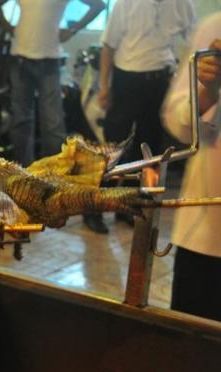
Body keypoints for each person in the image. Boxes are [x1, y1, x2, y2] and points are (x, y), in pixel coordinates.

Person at [84, 0, 196, 234]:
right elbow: (108, 46)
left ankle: (129, 206)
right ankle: (93, 208)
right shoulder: (126, 3)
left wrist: (181, 77)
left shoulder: (182, 3)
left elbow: (193, 39)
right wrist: (105, 86)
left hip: (160, 82)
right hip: (127, 80)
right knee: (112, 148)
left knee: (148, 151)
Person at [161, 13, 221, 321]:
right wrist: (207, 93)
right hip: (208, 234)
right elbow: (176, 121)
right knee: (192, 354)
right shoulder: (215, 28)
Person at [0, 0, 105, 168]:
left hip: (49, 60)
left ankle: (53, 175)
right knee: (21, 120)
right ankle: (22, 173)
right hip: (19, 58)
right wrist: (7, 26)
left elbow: (98, 5)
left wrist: (73, 29)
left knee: (52, 123)